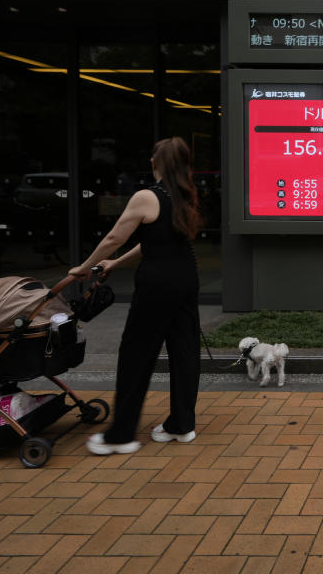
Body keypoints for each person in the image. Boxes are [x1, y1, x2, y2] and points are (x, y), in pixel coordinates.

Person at [69, 137, 201, 455]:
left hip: (157, 284)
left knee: (136, 354)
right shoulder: (185, 195)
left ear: (155, 163)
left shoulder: (146, 196)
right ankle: (180, 426)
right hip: (186, 279)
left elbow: (116, 235)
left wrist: (86, 267)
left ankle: (121, 435)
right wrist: (115, 262)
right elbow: (155, 240)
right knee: (184, 351)